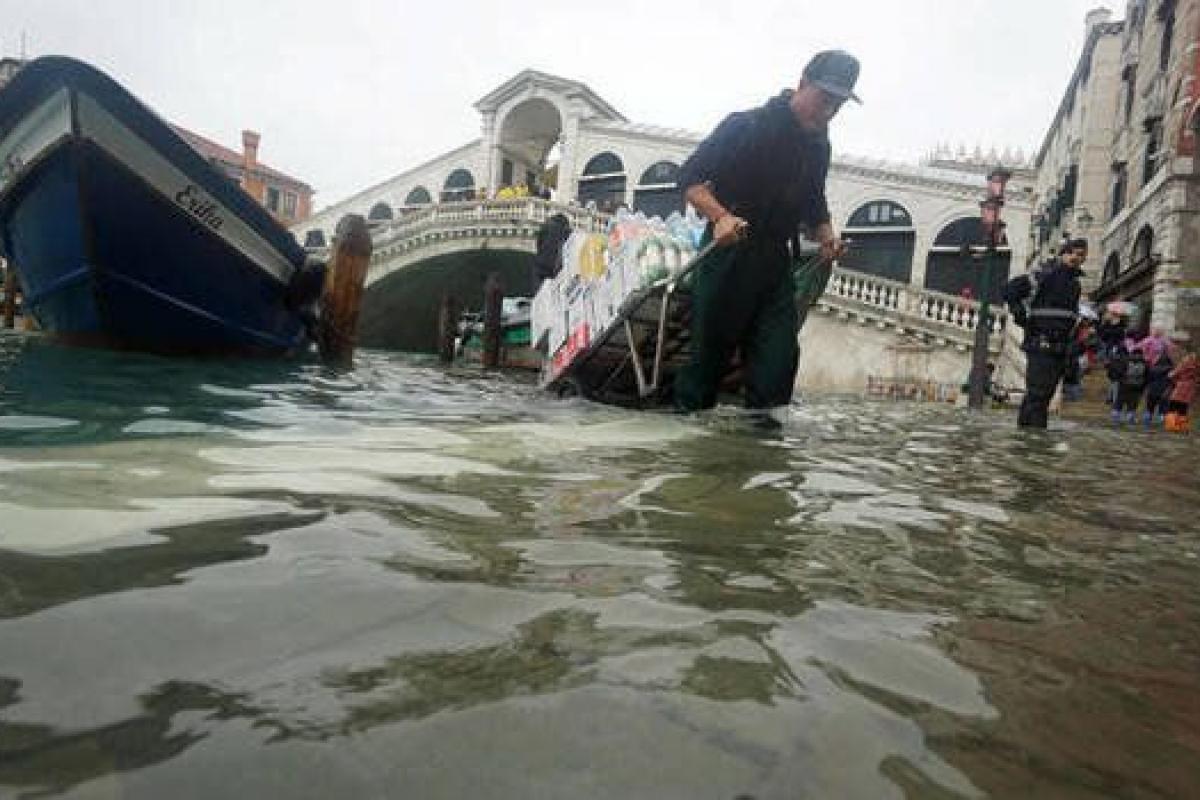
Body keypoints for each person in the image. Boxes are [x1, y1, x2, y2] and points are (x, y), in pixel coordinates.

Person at [673, 50, 858, 412]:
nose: (828, 112)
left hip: (776, 261)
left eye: (837, 105)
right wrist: (720, 217)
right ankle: (686, 433)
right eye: (824, 99)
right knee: (708, 361)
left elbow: (814, 202)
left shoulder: (819, 146)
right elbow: (690, 179)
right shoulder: (746, 125)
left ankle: (763, 441)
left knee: (778, 362)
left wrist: (828, 238)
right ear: (802, 83)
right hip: (729, 252)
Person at [1002, 237, 1087, 428]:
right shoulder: (1045, 275)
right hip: (1041, 344)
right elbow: (1009, 290)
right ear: (1063, 254)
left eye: (1081, 255)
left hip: (1059, 348)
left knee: (1042, 397)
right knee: (1037, 396)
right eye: (1072, 253)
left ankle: (1029, 435)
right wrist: (1021, 316)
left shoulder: (1075, 284)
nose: (1076, 258)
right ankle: (1032, 437)